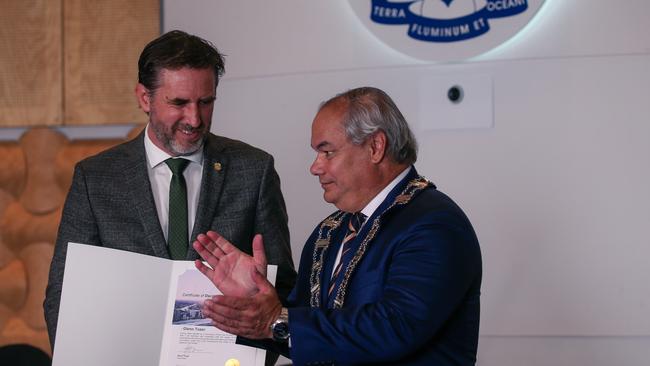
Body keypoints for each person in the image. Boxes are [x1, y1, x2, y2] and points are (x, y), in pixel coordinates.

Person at [43, 30, 297, 358]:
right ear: (144, 98)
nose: (194, 119)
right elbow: (63, 296)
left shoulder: (253, 169)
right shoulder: (96, 179)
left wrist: (266, 302)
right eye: (179, 103)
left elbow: (286, 287)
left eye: (205, 102)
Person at [193, 87, 482, 365]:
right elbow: (309, 336)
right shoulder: (329, 231)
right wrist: (259, 302)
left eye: (327, 152)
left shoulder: (434, 223)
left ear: (375, 147)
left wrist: (276, 320)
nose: (315, 167)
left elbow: (396, 327)